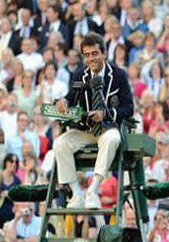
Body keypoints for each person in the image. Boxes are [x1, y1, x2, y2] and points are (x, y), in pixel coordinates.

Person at [54, 32, 133, 209]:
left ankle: (93, 190)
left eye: (95, 54)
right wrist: (63, 102)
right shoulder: (78, 74)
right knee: (59, 144)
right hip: (85, 129)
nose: (91, 58)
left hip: (107, 128)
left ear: (104, 53)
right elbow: (71, 98)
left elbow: (129, 108)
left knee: (112, 138)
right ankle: (76, 194)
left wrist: (106, 114)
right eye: (87, 55)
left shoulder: (118, 75)